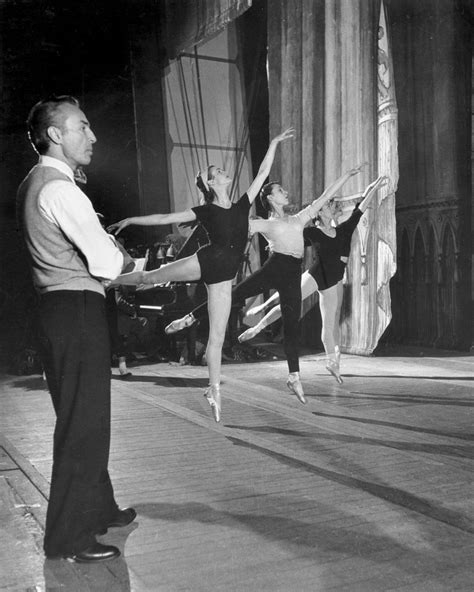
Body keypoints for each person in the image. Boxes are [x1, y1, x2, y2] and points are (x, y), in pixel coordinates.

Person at [16, 95, 137, 563]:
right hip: (77, 310)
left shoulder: (36, 182)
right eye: (82, 127)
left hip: (58, 311)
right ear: (55, 135)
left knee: (84, 418)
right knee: (83, 425)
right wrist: (122, 256)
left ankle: (100, 508)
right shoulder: (62, 189)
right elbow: (106, 261)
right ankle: (67, 537)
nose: (92, 136)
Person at [107, 129, 295, 422]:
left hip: (223, 278)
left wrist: (272, 143)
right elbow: (165, 218)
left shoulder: (243, 203)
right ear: (211, 182)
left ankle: (213, 390)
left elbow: (263, 172)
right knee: (150, 277)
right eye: (217, 171)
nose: (223, 171)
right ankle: (110, 282)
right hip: (205, 262)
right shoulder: (205, 210)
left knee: (216, 338)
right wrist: (132, 219)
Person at [164, 165, 366, 402]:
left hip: (292, 272)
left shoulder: (299, 218)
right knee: (237, 294)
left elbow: (323, 197)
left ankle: (294, 377)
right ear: (270, 197)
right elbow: (229, 225)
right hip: (275, 268)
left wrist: (347, 176)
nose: (286, 192)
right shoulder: (263, 224)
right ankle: (189, 318)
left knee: (292, 326)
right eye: (281, 190)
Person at [239, 175, 387, 384]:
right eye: (327, 205)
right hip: (316, 276)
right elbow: (290, 234)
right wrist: (274, 243)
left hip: (333, 281)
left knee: (329, 324)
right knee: (287, 305)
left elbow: (361, 207)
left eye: (329, 205)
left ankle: (333, 363)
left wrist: (374, 186)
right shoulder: (313, 232)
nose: (330, 207)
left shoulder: (343, 230)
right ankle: (258, 327)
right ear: (319, 213)